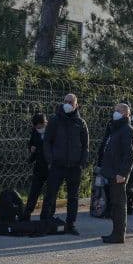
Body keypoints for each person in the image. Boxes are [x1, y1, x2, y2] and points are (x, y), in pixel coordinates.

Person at [40, 93, 90, 235]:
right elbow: (47, 142)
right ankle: (46, 221)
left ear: (76, 105)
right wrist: (50, 160)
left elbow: (86, 145)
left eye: (70, 102)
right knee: (51, 194)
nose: (67, 104)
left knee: (73, 197)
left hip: (74, 166)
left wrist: (82, 163)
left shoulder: (80, 123)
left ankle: (71, 224)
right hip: (57, 164)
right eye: (65, 101)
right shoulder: (55, 120)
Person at [99, 102, 133, 243]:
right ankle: (115, 232)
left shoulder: (127, 130)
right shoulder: (116, 129)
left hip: (118, 174)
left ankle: (119, 234)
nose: (115, 113)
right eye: (115, 110)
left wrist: (123, 173)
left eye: (119, 111)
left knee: (119, 204)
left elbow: (129, 155)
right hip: (112, 172)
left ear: (126, 114)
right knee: (115, 204)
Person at [25, 113, 49, 218]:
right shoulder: (35, 131)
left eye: (40, 126)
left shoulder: (52, 131)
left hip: (50, 166)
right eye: (36, 127)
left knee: (49, 193)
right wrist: (31, 148)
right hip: (39, 165)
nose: (38, 129)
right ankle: (27, 213)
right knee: (34, 191)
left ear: (44, 123)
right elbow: (30, 143)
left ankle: (46, 215)